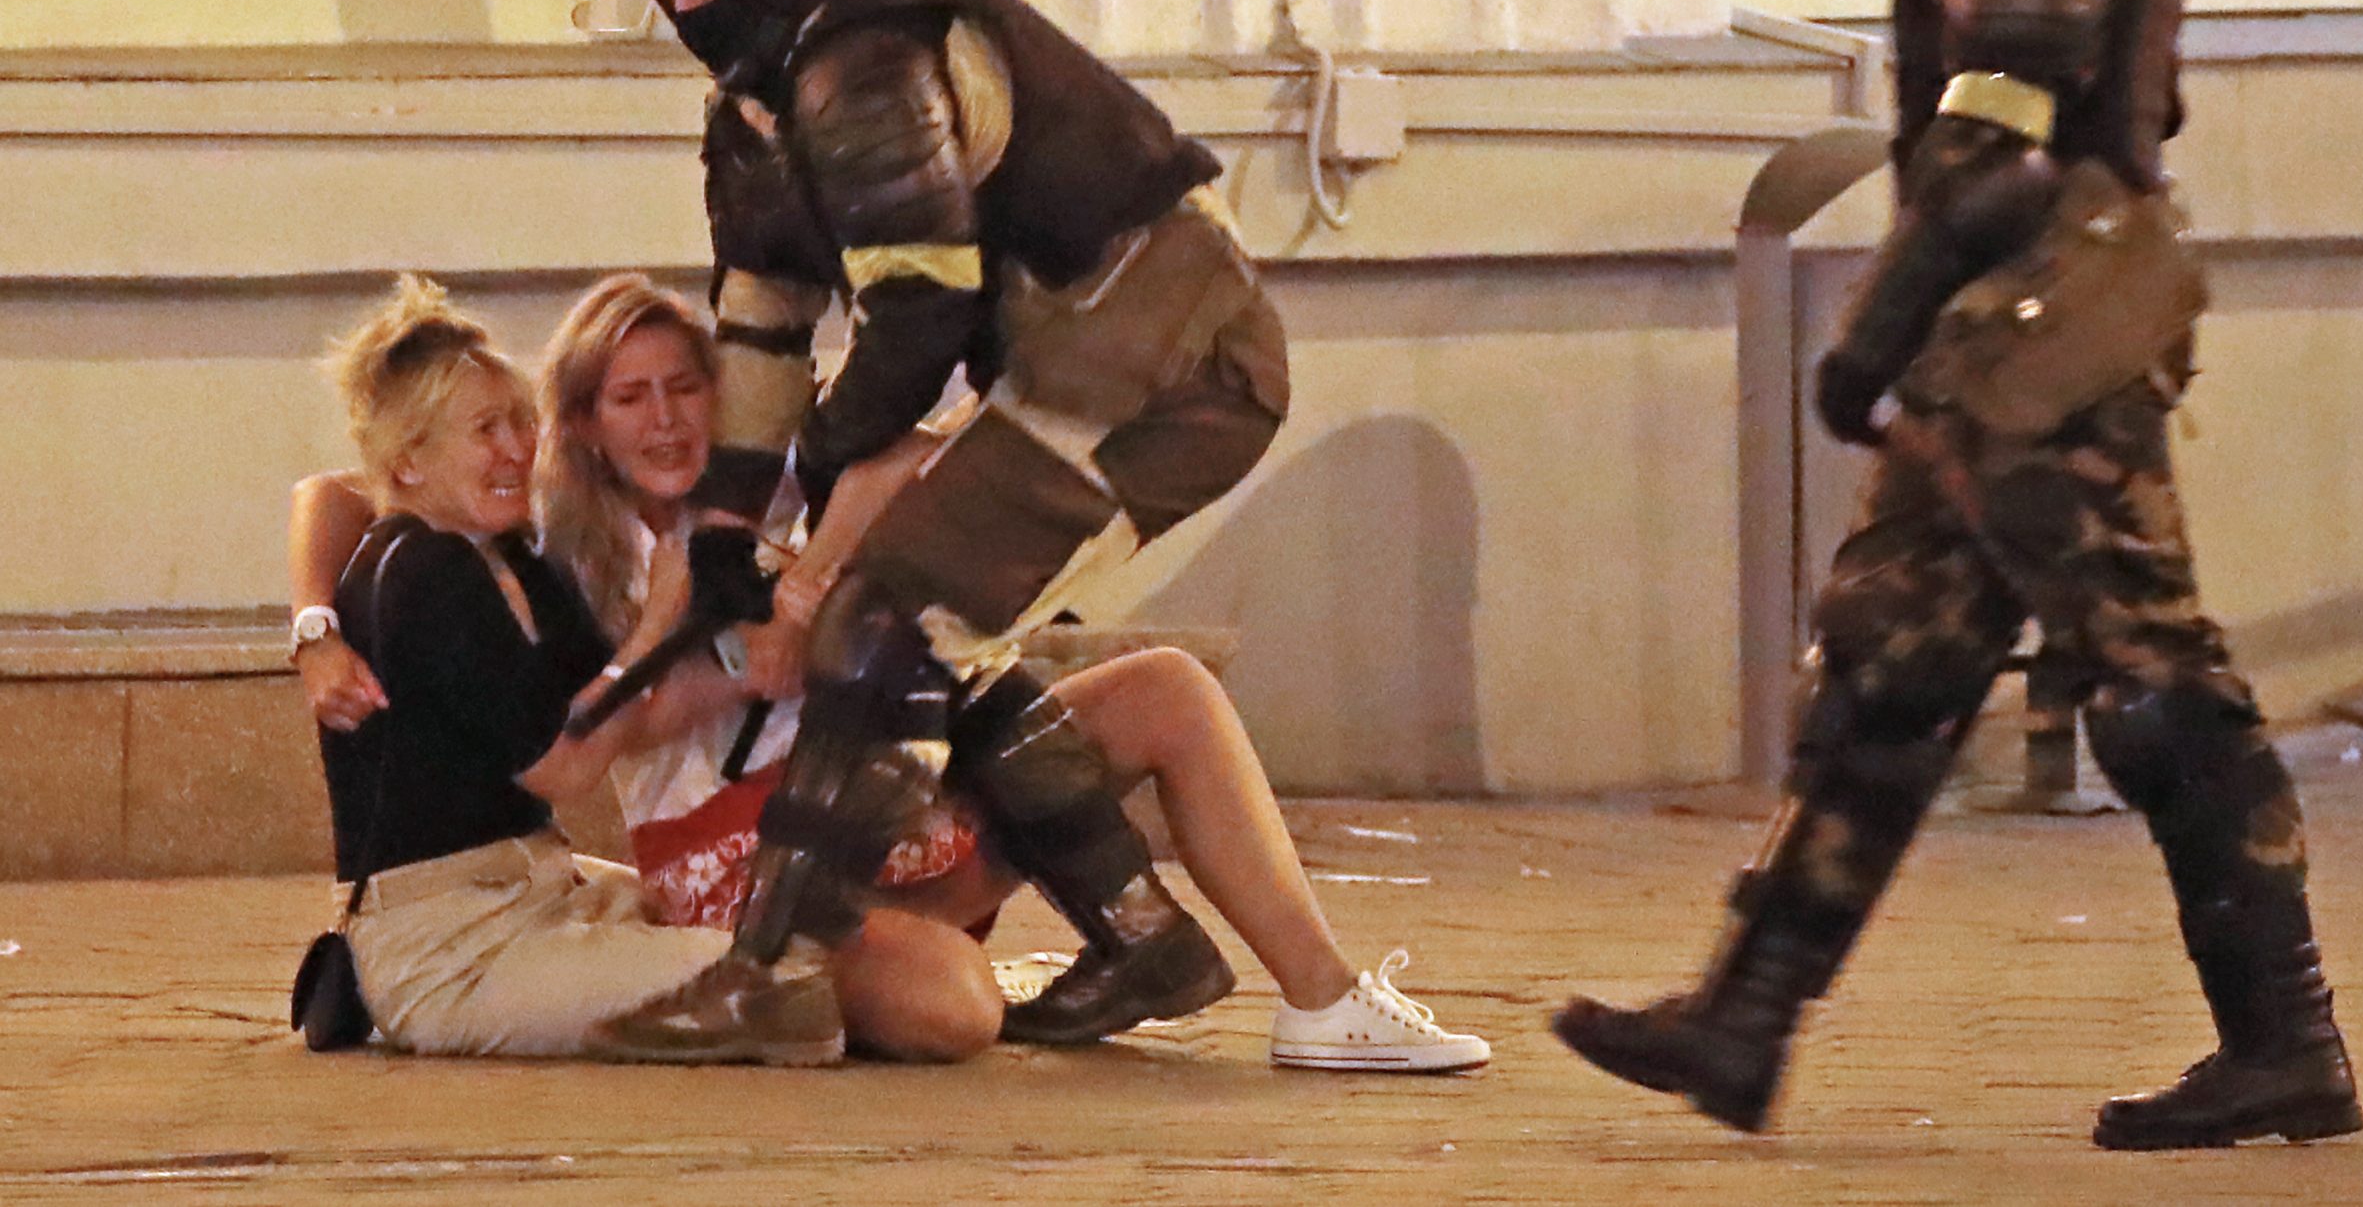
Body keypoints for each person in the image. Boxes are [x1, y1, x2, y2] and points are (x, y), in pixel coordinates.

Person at [1552, 0, 2361, 1150]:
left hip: (2046, 330)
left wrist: (1873, 331)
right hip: (2011, 337)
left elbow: (1999, 146)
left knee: (2153, 679)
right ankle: (1743, 1020)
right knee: (1894, 661)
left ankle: (2288, 1039)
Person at [294, 273, 1489, 1069]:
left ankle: (1325, 998)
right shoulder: (560, 531)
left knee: (1160, 687)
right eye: (630, 396)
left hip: (862, 804)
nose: (662, 419)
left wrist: (821, 556)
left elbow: (917, 453)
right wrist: (315, 628)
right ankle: (991, 951)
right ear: (589, 422)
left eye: (686, 386)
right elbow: (344, 491)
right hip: (734, 853)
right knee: (953, 1003)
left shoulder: (763, 486)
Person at [572, 0, 1298, 1059]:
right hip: (1078, 357)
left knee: (888, 627)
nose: (681, 6)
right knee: (925, 633)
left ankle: (774, 970)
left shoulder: (866, 59)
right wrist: (730, 524)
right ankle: (1141, 933)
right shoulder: (766, 101)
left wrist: (810, 476)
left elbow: (918, 309)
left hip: (1163, 357)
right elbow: (761, 326)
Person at [302, 275, 844, 1062]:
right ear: (410, 460)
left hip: (539, 885)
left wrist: (752, 664)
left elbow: (626, 711)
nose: (516, 449)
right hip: (450, 944)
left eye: (520, 422)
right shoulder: (421, 570)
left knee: (779, 933)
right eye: (485, 430)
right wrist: (656, 626)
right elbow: (566, 765)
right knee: (782, 985)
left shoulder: (509, 556)